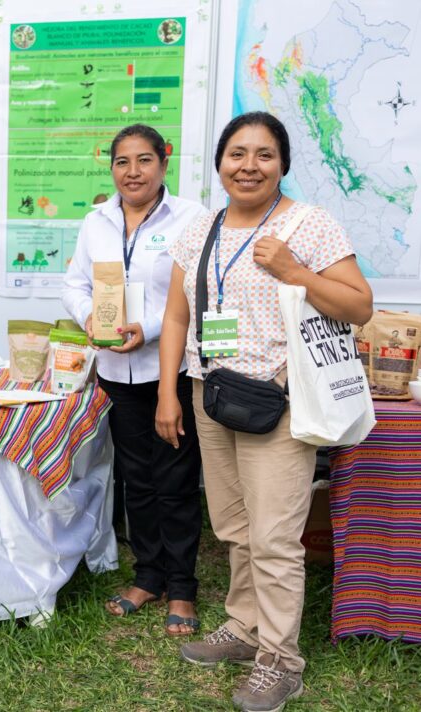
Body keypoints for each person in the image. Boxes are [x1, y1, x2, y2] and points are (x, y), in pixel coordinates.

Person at [156, 112, 372, 711]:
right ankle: (245, 628)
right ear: (221, 162)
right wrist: (168, 393)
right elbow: (178, 317)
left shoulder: (310, 224)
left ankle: (282, 659)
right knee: (233, 527)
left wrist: (295, 272)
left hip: (278, 400)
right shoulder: (200, 229)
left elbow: (359, 306)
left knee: (274, 538)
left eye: (265, 155)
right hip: (211, 393)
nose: (249, 166)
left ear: (283, 165)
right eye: (238, 154)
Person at [62, 124, 205, 636]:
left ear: (164, 163)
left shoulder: (192, 219)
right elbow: (75, 286)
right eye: (123, 162)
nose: (133, 172)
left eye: (144, 160)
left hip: (170, 370)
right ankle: (148, 575)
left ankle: (183, 587)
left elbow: (195, 296)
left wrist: (143, 329)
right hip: (115, 374)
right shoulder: (95, 221)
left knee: (176, 479)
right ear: (113, 169)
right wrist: (92, 321)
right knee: (135, 478)